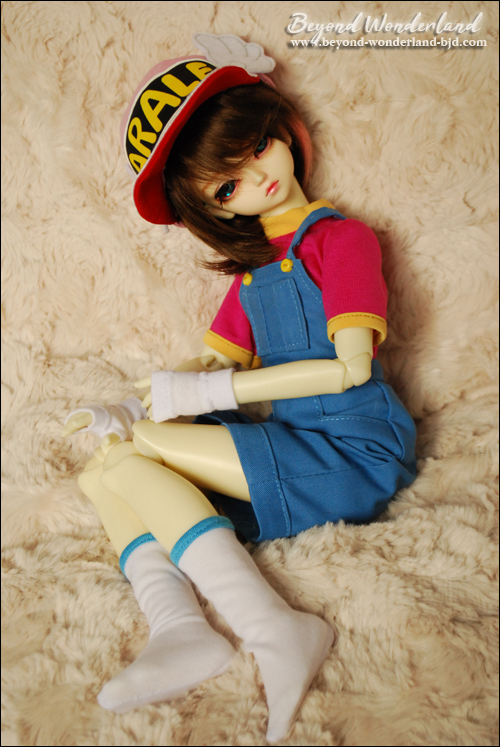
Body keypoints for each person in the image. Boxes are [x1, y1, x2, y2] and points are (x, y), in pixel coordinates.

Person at [63, 34, 417, 742]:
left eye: (256, 146)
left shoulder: (341, 241)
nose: (256, 178)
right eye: (227, 188)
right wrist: (133, 404)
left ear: (282, 129)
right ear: (215, 210)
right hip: (290, 440)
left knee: (143, 450)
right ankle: (179, 627)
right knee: (103, 470)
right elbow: (203, 363)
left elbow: (350, 369)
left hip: (355, 449)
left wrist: (204, 397)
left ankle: (273, 627)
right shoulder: (252, 277)